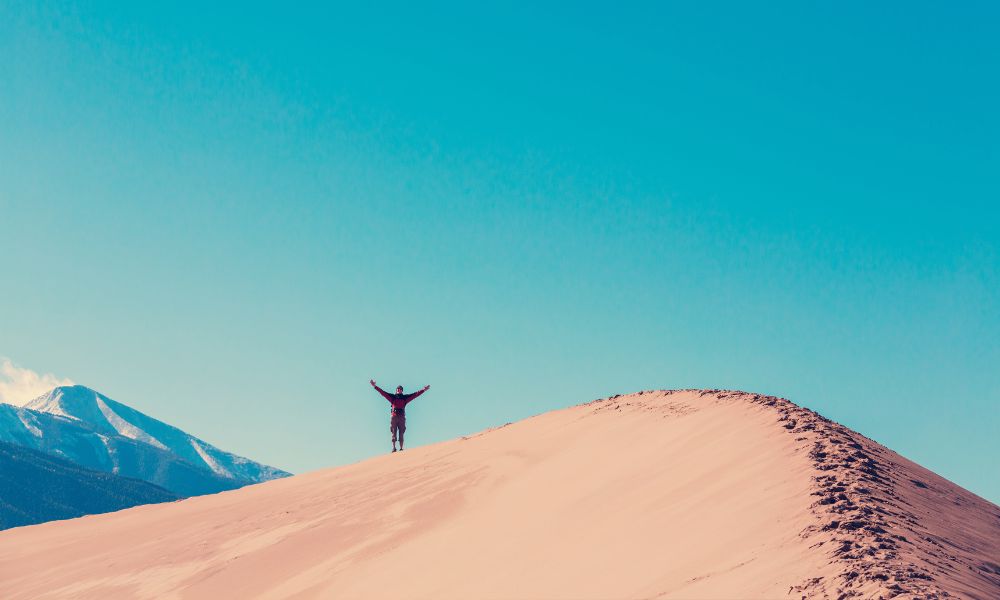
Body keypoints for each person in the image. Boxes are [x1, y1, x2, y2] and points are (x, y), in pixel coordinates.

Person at [370, 379, 430, 452]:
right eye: (397, 389)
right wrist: (375, 386)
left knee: (401, 432)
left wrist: (423, 390)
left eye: (400, 389)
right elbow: (383, 393)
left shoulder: (405, 398)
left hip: (401, 418)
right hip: (394, 417)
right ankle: (394, 448)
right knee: (393, 432)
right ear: (396, 390)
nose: (399, 390)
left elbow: (415, 395)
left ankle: (401, 448)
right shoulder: (392, 397)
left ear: (402, 391)